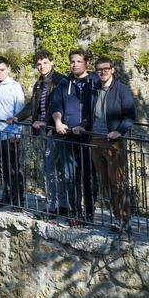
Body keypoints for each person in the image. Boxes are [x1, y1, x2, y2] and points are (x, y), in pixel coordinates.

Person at [11, 49, 66, 214]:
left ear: (52, 62)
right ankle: (54, 204)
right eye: (39, 64)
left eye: (45, 63)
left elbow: (59, 106)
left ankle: (59, 205)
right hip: (43, 131)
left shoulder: (60, 80)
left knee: (58, 169)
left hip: (55, 130)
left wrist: (45, 121)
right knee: (48, 168)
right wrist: (17, 117)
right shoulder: (39, 83)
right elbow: (31, 106)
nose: (42, 66)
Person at [50, 49, 98, 222]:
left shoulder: (94, 82)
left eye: (78, 61)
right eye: (72, 61)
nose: (74, 64)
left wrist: (83, 126)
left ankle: (89, 214)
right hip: (68, 137)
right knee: (71, 177)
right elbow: (56, 105)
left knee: (89, 177)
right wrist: (57, 121)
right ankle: (75, 213)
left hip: (88, 137)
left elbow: (96, 109)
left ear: (86, 63)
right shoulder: (64, 83)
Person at [90, 56, 136, 231]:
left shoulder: (121, 90)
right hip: (95, 139)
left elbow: (130, 115)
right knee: (105, 183)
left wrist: (119, 131)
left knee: (118, 181)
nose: (103, 72)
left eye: (106, 69)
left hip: (113, 141)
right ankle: (116, 217)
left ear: (112, 70)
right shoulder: (95, 89)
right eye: (99, 69)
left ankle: (124, 220)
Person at [0, 56, 25, 206]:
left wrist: (16, 132)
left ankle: (18, 200)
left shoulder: (15, 87)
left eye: (2, 70)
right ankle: (6, 197)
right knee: (2, 169)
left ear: (8, 69)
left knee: (14, 168)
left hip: (9, 135)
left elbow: (19, 111)